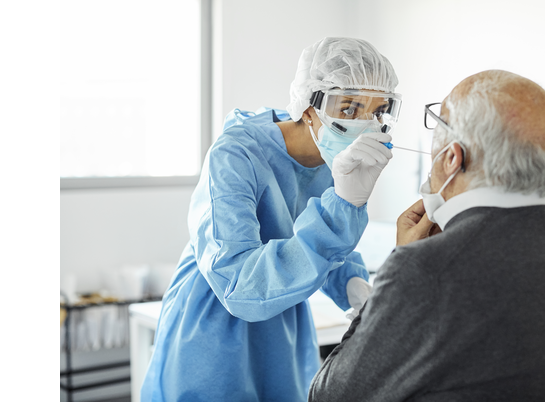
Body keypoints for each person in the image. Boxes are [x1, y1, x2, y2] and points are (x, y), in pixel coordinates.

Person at [309, 70, 545, 402]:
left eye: (438, 125)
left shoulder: (425, 270)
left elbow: (331, 395)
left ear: (452, 158)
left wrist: (388, 287)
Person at [141, 37, 402, 402]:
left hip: (283, 318)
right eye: (349, 108)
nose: (365, 125)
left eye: (377, 112)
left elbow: (326, 246)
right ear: (309, 107)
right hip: (215, 324)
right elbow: (241, 286)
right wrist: (342, 204)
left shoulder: (335, 160)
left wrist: (353, 284)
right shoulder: (236, 155)